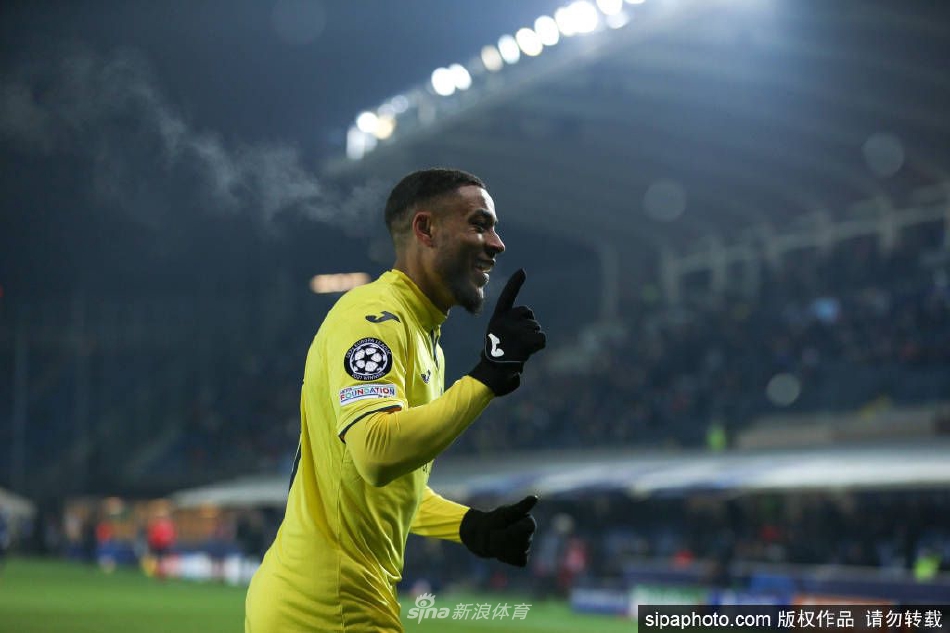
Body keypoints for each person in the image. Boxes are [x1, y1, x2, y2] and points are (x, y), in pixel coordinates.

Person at [245, 168, 547, 632]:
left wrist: (469, 526)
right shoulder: (375, 316)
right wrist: (489, 375)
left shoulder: (424, 338)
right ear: (426, 229)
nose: (496, 243)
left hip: (332, 600)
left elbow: (385, 487)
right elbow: (377, 452)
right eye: (479, 224)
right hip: (329, 607)